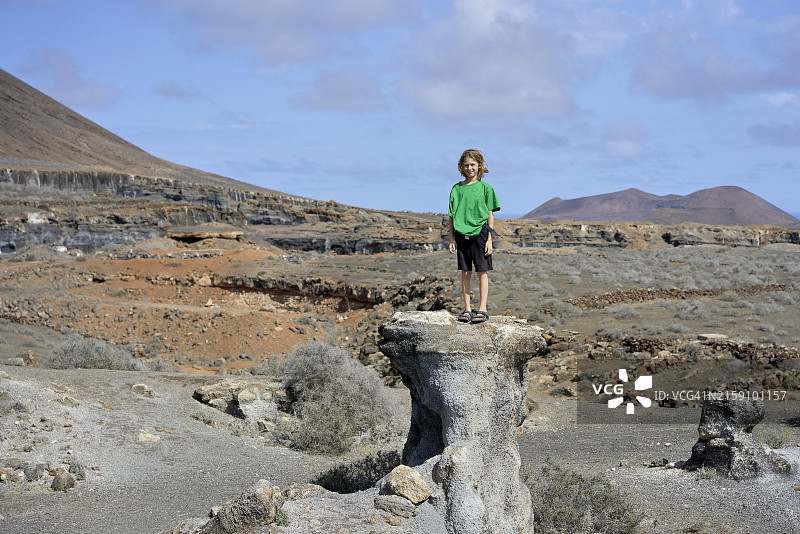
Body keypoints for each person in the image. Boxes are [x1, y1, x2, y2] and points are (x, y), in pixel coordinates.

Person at [448, 149, 500, 324]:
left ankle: (483, 309)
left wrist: (489, 240)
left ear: (479, 166)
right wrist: (451, 239)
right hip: (461, 235)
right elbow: (451, 216)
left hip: (481, 234)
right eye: (466, 165)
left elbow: (490, 215)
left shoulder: (486, 188)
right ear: (461, 167)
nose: (469, 168)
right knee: (465, 273)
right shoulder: (456, 189)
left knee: (482, 272)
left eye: (473, 165)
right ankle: (467, 309)